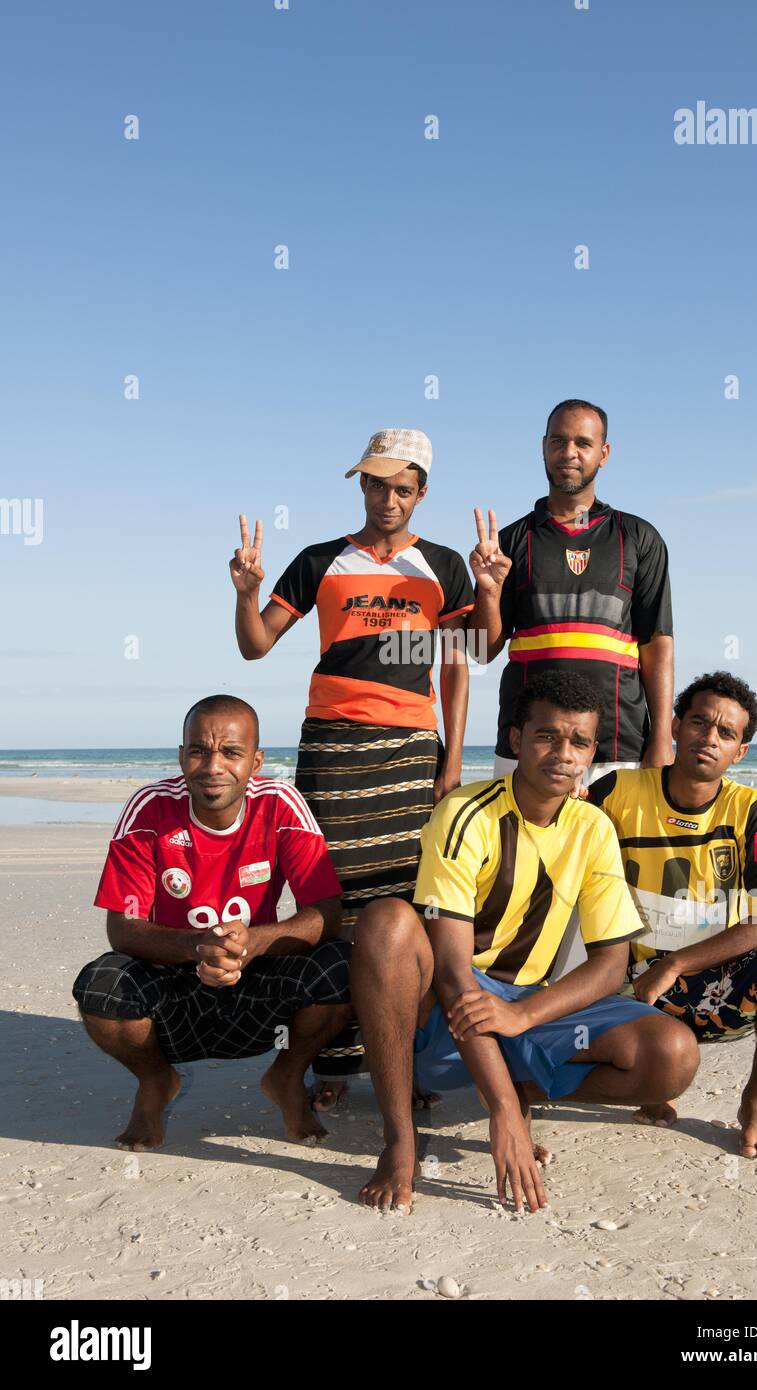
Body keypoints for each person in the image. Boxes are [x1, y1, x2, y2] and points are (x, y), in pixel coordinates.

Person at [351, 671, 699, 1213]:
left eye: (580, 742)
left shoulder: (593, 827)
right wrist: (501, 1111)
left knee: (671, 1056)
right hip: (444, 1017)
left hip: (525, 1008)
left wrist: (526, 1016)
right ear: (516, 740)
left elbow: (610, 966)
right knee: (386, 923)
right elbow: (451, 975)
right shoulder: (465, 813)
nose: (564, 754)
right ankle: (400, 1139)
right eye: (547, 736)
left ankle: (526, 1088)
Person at [232, 428, 474, 1105]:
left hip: (409, 753)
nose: (388, 498)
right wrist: (246, 593)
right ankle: (330, 1063)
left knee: (402, 904)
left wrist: (451, 759)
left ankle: (402, 1058)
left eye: (402, 487)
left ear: (421, 493)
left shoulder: (445, 567)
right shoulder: (320, 561)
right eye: (376, 484)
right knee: (330, 905)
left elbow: (459, 667)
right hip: (333, 751)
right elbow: (255, 646)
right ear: (361, 486)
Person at [72, 696, 351, 1151]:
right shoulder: (149, 807)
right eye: (199, 750)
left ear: (256, 761)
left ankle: (286, 1076)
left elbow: (326, 911)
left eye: (231, 752)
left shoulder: (280, 803)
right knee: (101, 985)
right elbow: (122, 929)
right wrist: (198, 947)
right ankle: (156, 1081)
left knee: (342, 966)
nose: (213, 766)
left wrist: (252, 943)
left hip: (256, 980)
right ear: (182, 756)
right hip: (176, 985)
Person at [587, 671, 757, 1159]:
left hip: (717, 987)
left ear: (741, 752)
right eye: (699, 722)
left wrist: (673, 965)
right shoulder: (617, 791)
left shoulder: (753, 812)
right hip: (630, 986)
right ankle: (655, 1074)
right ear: (675, 726)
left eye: (727, 733)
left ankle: (756, 1101)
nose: (709, 738)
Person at [468, 399, 674, 783]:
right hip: (526, 741)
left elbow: (656, 643)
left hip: (617, 743)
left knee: (609, 845)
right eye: (559, 441)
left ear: (604, 453)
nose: (569, 453)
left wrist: (661, 736)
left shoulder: (638, 538)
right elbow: (482, 651)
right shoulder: (511, 541)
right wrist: (489, 592)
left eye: (583, 442)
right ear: (544, 446)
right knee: (521, 845)